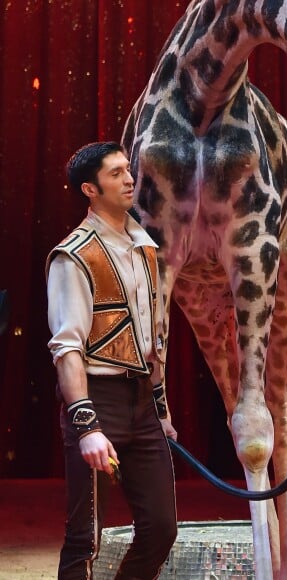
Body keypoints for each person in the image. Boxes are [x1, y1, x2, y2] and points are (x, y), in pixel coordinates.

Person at [46, 141, 178, 579]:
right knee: (87, 537)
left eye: (128, 170)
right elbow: (67, 347)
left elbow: (151, 339)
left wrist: (160, 409)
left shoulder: (144, 247)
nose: (129, 179)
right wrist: (87, 425)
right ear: (89, 188)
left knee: (161, 528)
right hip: (98, 398)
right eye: (116, 173)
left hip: (141, 403)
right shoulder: (74, 255)